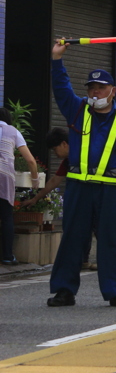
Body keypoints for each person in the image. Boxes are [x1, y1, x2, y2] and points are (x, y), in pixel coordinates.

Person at [47, 41, 116, 308]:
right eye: (91, 87)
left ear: (112, 91)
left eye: (101, 88)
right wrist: (57, 60)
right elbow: (60, 88)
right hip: (79, 186)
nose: (95, 91)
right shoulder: (77, 109)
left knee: (112, 240)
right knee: (72, 239)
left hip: (113, 190)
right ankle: (64, 290)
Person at [22, 128, 95, 270]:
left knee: (98, 228)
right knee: (85, 228)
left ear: (64, 144)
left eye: (55, 149)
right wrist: (35, 198)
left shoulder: (86, 152)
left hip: (97, 197)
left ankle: (112, 264)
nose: (55, 154)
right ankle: (83, 260)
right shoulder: (69, 161)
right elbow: (55, 180)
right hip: (82, 199)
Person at [0, 107, 39, 265]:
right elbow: (30, 160)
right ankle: (8, 257)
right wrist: (35, 181)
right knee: (7, 216)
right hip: (5, 176)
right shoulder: (13, 131)